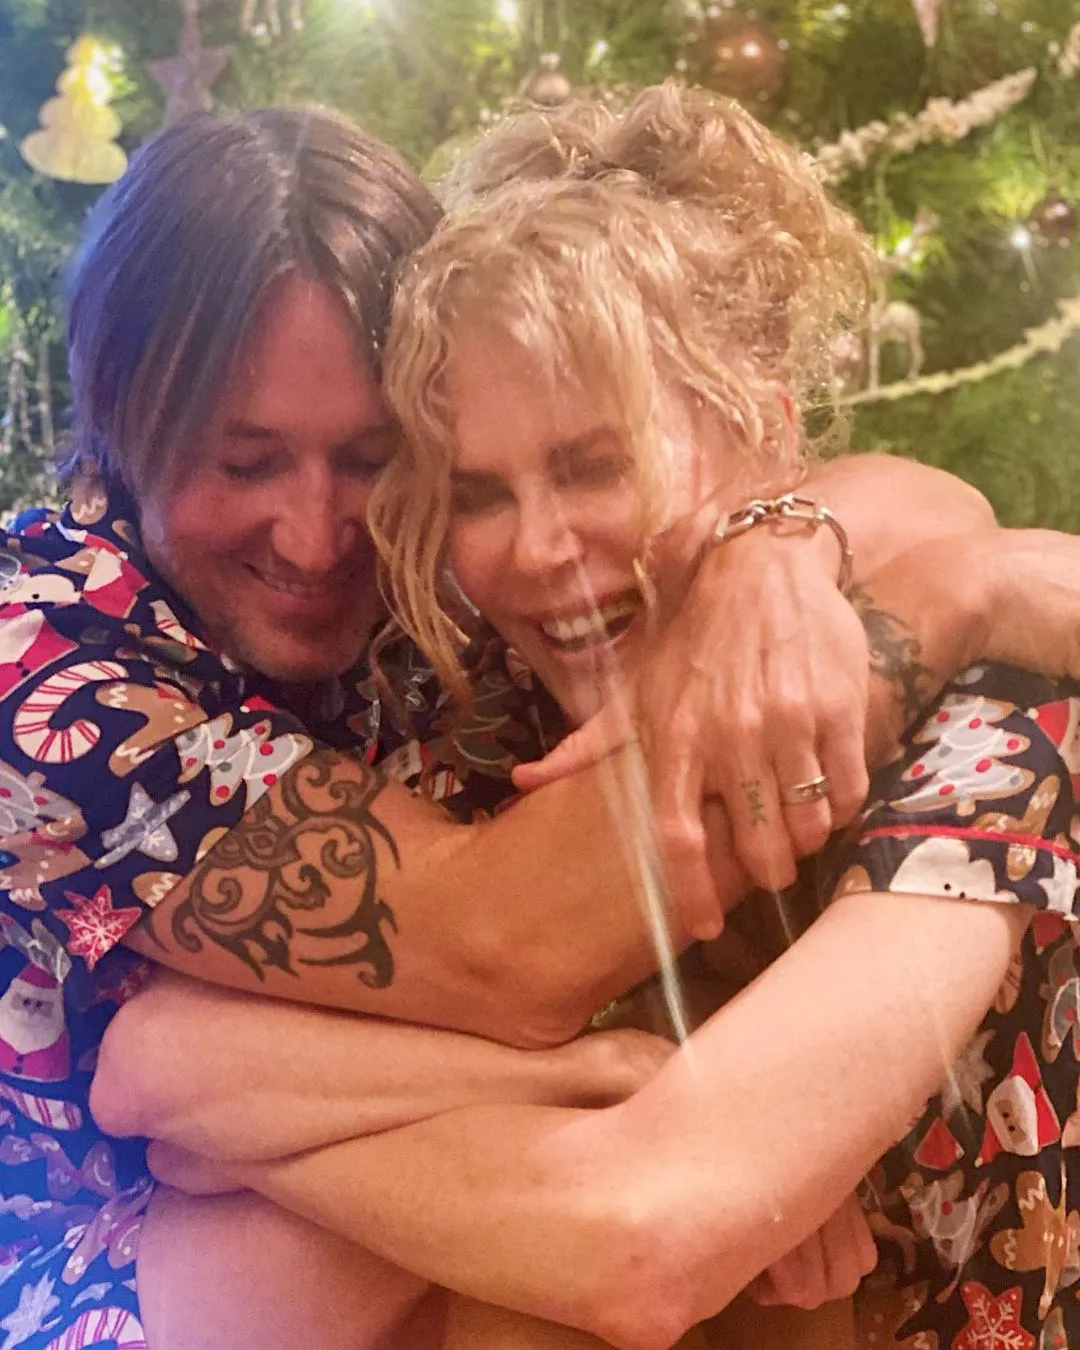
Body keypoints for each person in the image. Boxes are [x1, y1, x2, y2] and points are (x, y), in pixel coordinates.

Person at [0, 97, 1065, 1349]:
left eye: (376, 460)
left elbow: (901, 497)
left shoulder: (448, 588)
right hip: (131, 1275)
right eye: (244, 464)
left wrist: (782, 551)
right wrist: (940, 594)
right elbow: (481, 956)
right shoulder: (46, 649)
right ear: (121, 422)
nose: (319, 533)